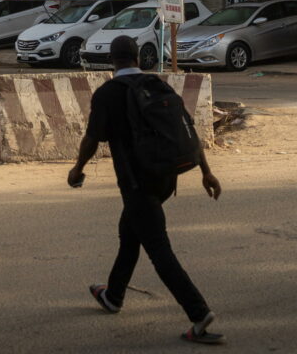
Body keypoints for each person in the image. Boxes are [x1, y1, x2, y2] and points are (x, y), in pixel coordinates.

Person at [68, 35, 225, 345]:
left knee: (158, 249)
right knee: (129, 233)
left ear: (111, 60)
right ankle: (113, 296)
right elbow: (187, 129)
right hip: (166, 179)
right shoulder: (158, 85)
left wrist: (77, 169)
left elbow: (91, 139)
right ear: (138, 58)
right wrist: (206, 172)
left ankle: (199, 314)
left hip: (136, 183)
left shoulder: (107, 94)